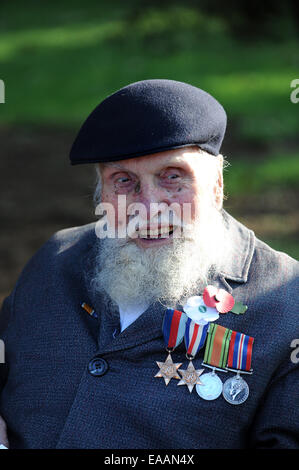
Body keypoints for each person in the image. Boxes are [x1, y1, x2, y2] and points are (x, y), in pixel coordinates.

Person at [0, 79, 298, 449]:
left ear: (217, 184)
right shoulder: (57, 258)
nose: (149, 206)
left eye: (173, 177)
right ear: (101, 192)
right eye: (124, 181)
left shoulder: (287, 303)